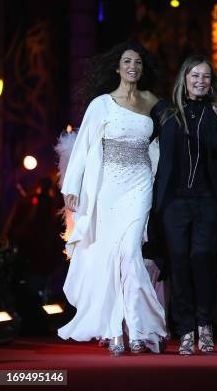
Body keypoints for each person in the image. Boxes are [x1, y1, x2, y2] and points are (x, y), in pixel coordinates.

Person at [58, 41, 167, 356]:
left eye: (138, 62)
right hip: (107, 187)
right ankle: (113, 330)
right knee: (109, 257)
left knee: (131, 253)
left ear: (143, 69)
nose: (133, 67)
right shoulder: (101, 104)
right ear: (117, 67)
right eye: (127, 61)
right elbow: (82, 148)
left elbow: (170, 135)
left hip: (140, 183)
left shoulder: (151, 102)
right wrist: (72, 188)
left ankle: (138, 329)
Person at [149, 55, 217, 355]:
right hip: (174, 201)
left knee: (202, 259)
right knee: (179, 262)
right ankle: (186, 330)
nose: (201, 81)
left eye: (206, 76)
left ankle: (204, 325)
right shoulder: (166, 112)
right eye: (195, 75)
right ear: (184, 78)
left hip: (207, 200)